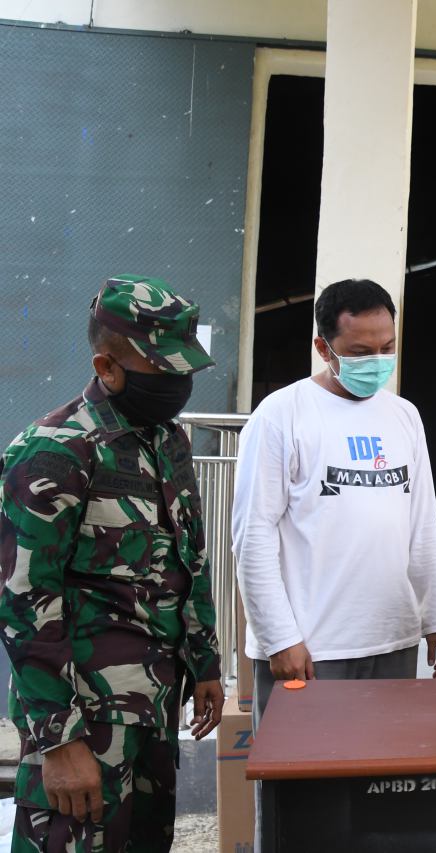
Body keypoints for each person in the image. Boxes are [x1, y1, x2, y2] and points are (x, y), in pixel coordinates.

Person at [0, 275, 223, 852]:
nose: (179, 387)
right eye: (165, 375)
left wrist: (204, 663)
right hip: (85, 719)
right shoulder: (55, 451)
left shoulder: (166, 440)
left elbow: (186, 558)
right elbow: (25, 602)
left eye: (186, 374)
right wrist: (58, 741)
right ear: (107, 367)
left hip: (154, 708)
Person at [231, 279, 436, 847]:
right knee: (302, 809)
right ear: (322, 348)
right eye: (359, 351)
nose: (377, 361)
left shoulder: (404, 417)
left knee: (381, 803)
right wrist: (279, 637)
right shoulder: (280, 416)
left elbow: (422, 523)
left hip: (392, 644)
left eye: (387, 347)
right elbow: (251, 538)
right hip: (311, 654)